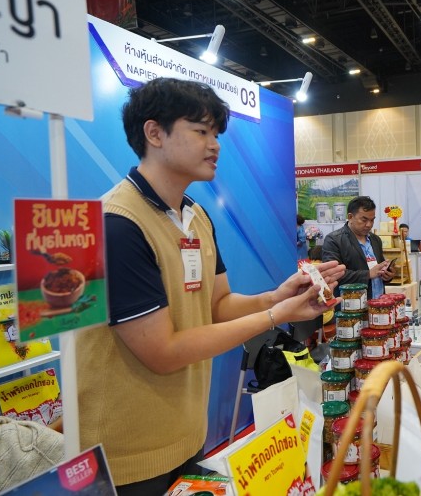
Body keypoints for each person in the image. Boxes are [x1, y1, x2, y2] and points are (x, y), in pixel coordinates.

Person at [75, 78, 344, 494]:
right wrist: (275, 315)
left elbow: (218, 305)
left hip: (186, 434)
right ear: (154, 133)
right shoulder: (117, 224)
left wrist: (276, 297)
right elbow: (162, 352)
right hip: (123, 457)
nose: (215, 145)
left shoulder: (196, 217)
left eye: (216, 134)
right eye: (201, 131)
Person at [322, 195, 393, 299]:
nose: (369, 225)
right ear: (350, 217)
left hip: (379, 303)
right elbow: (332, 275)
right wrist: (368, 274)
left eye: (372, 220)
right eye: (364, 220)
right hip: (352, 304)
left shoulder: (375, 240)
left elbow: (378, 270)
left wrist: (387, 275)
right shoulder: (334, 240)